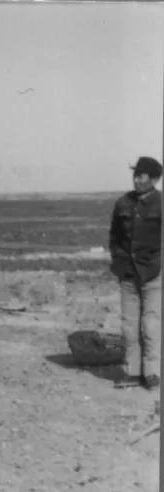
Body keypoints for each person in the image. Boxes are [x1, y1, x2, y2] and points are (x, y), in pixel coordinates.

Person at [109, 156, 162, 391]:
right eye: (135, 175)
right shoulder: (123, 203)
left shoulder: (161, 203)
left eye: (141, 175)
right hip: (128, 274)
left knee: (151, 325)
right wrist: (118, 263)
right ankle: (131, 371)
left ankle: (151, 373)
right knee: (129, 326)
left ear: (154, 179)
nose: (137, 179)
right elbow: (114, 238)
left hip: (153, 273)